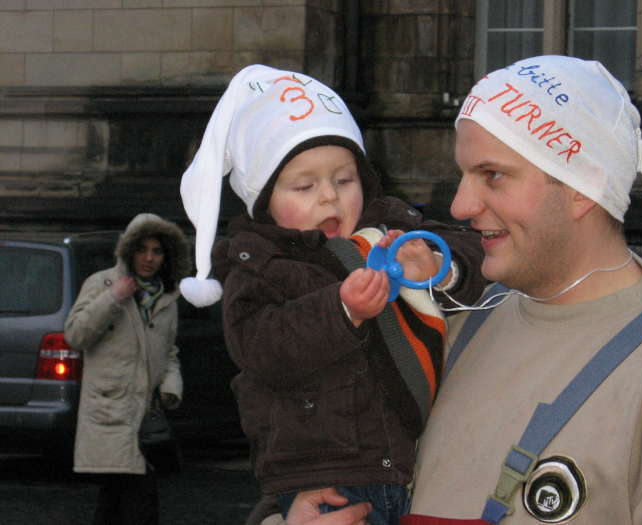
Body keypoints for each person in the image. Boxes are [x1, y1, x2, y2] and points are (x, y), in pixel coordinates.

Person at [286, 55, 642, 525]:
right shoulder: (455, 322)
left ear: (584, 185)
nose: (460, 206)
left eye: (493, 175)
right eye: (464, 175)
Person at [178, 64, 486, 525]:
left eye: (344, 180)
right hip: (329, 474)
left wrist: (440, 267)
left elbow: (479, 253)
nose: (329, 197)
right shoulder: (258, 263)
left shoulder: (390, 227)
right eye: (305, 186)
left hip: (418, 461)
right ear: (265, 201)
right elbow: (261, 347)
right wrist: (342, 310)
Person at [65, 213, 191, 525]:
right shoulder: (101, 283)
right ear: (129, 250)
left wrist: (170, 388)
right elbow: (76, 335)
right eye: (142, 249)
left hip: (146, 419)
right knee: (138, 504)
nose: (149, 258)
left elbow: (169, 351)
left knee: (116, 503)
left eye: (157, 251)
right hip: (110, 414)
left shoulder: (168, 296)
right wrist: (114, 298)